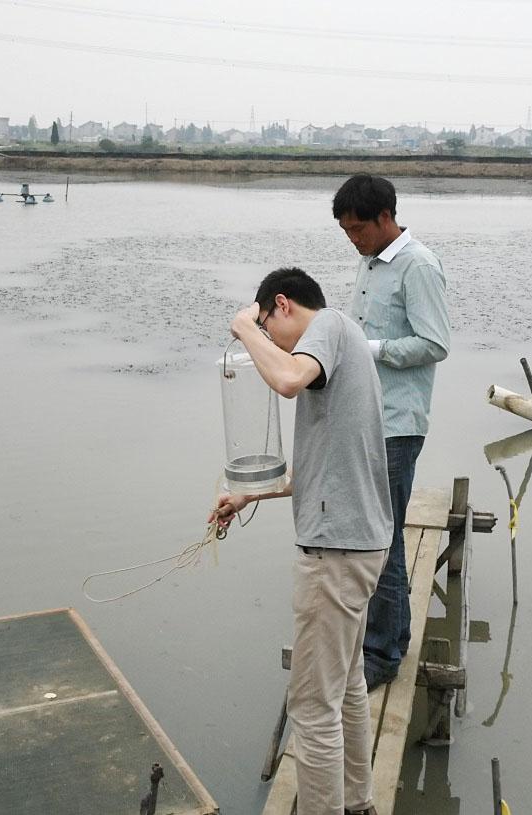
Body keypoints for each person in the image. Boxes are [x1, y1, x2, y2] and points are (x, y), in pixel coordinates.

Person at [212, 267, 391, 815]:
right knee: (349, 685)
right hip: (359, 543)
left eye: (270, 326)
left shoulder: (329, 329)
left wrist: (245, 329)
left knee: (312, 709)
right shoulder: (345, 340)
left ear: (282, 305)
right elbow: (319, 471)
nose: (269, 340)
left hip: (334, 553)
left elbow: (287, 380)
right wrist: (250, 496)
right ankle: (358, 802)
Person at [333, 174, 451, 691]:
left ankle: (383, 654)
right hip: (366, 417)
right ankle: (383, 636)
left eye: (358, 229)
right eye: (346, 232)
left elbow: (433, 343)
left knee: (384, 541)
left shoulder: (417, 265)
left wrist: (370, 349)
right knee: (373, 535)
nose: (352, 239)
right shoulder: (370, 261)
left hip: (398, 424)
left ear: (386, 218)